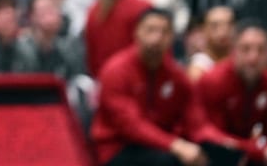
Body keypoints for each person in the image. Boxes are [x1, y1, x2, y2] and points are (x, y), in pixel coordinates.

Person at [91, 9, 257, 166]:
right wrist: (175, 144)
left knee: (223, 155)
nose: (156, 38)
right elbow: (131, 126)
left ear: (172, 37)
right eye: (150, 30)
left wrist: (230, 145)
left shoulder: (176, 75)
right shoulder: (116, 70)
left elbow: (197, 124)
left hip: (163, 144)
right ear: (137, 32)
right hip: (118, 148)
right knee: (171, 160)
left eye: (164, 32)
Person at [197, 22, 267, 166]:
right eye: (245, 49)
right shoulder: (214, 80)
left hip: (250, 149)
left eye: (260, 50)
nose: (253, 57)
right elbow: (209, 133)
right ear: (233, 50)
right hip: (215, 151)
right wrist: (258, 151)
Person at [187, 6, 235, 81]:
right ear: (203, 30)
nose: (222, 32)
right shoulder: (198, 68)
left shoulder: (240, 61)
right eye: (215, 26)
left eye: (228, 25)